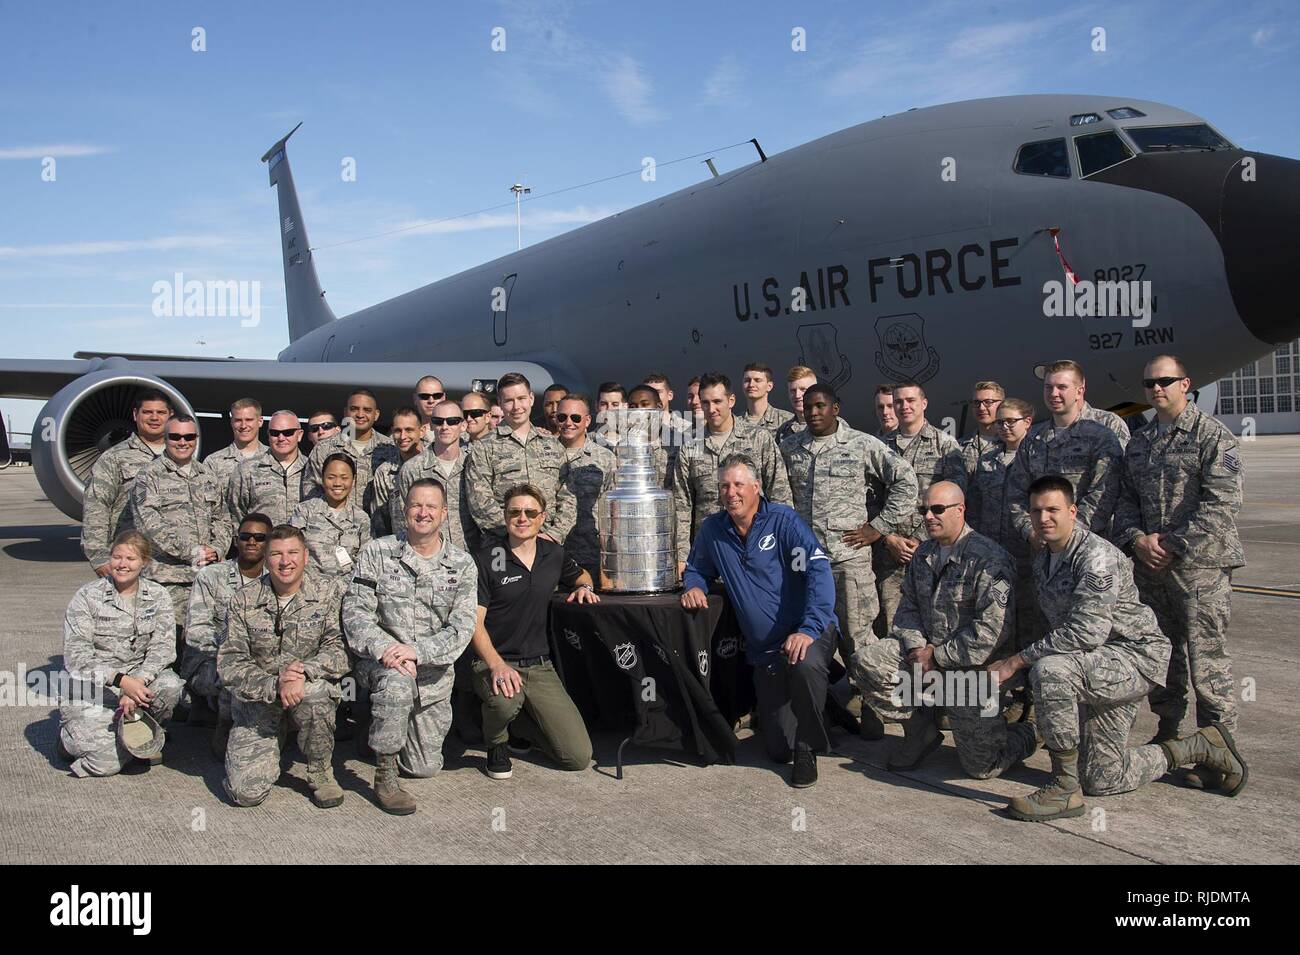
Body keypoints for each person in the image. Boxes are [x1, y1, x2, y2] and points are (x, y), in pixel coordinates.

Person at [988, 476, 1246, 822]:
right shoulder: (1046, 558)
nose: (1044, 518)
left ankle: (1064, 788)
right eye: (1037, 511)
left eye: (1053, 509)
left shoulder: (1095, 556)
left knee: (1050, 671)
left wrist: (1015, 662)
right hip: (1095, 666)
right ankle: (1196, 747)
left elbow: (1084, 632)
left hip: (1132, 657)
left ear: (1072, 511)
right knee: (1101, 778)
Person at [1115, 356, 1245, 780]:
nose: (1156, 389)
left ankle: (1219, 749)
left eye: (1165, 381)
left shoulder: (1214, 437)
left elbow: (1221, 504)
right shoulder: (1140, 441)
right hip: (1152, 568)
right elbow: (1126, 501)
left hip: (1201, 569)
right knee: (1163, 656)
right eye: (1149, 382)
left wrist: (1170, 543)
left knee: (1206, 659)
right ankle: (1169, 733)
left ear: (1185, 384)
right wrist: (1137, 539)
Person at [852, 482, 1033, 775]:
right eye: (924, 510)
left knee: (982, 767)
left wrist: (938, 656)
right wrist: (916, 649)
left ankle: (1025, 735)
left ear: (960, 510)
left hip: (974, 669)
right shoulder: (924, 554)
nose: (928, 517)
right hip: (927, 656)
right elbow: (907, 608)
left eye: (937, 509)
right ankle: (920, 731)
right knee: (868, 661)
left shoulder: (990, 560)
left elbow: (992, 631)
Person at [682, 454, 836, 787]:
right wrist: (694, 586)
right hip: (765, 652)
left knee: (806, 665)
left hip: (805, 633)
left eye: (738, 484)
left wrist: (808, 629)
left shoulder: (784, 521)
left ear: (756, 487)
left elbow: (818, 570)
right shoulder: (713, 529)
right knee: (778, 749)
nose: (731, 492)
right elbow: (697, 567)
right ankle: (822, 704)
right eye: (724, 485)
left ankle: (808, 748)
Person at [779, 383, 918, 738]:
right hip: (803, 564)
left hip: (847, 561)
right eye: (808, 406)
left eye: (820, 406)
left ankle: (877, 708)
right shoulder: (790, 448)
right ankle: (818, 708)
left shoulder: (861, 444)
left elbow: (905, 480)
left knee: (858, 639)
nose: (812, 412)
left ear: (836, 408)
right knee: (805, 637)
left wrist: (879, 527)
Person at [344, 479, 479, 812]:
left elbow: (462, 628)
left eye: (431, 506)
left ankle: (378, 728)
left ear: (444, 513)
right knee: (396, 684)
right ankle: (385, 776)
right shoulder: (377, 551)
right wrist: (386, 650)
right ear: (404, 511)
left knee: (424, 768)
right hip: (382, 664)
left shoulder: (462, 565)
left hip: (431, 676)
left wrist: (418, 650)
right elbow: (355, 612)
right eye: (416, 505)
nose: (423, 513)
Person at [471, 484, 598, 780]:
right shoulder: (488, 558)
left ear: (542, 518)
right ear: (504, 517)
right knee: (504, 703)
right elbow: (474, 624)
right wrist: (497, 665)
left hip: (539, 666)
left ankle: (521, 724)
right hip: (494, 661)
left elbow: (581, 576)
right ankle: (497, 742)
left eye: (530, 512)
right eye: (514, 512)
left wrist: (585, 587)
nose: (522, 518)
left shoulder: (552, 554)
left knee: (577, 757)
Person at [218, 525, 349, 808]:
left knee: (318, 695)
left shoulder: (328, 593)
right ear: (266, 558)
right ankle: (272, 736)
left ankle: (319, 770)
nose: (284, 561)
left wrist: (303, 671)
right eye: (276, 554)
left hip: (305, 689)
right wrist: (274, 684)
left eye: (292, 553)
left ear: (305, 556)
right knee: (245, 793)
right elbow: (230, 662)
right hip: (260, 701)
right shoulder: (243, 599)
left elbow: (340, 648)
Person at [59, 531, 185, 777]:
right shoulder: (87, 596)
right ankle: (68, 741)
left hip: (137, 688)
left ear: (144, 563)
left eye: (131, 558)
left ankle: (137, 731)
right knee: (104, 765)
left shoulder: (158, 596)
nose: (122, 564)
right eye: (117, 557)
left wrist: (137, 682)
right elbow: (76, 657)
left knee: (170, 685)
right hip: (94, 693)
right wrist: (121, 681)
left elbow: (163, 648)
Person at [673, 372, 791, 575]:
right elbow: (681, 506)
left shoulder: (758, 439)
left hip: (755, 549)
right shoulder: (689, 446)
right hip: (710, 552)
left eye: (717, 401)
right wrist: (682, 557)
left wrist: (781, 545)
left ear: (731, 400)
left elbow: (780, 495)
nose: (712, 409)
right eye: (706, 403)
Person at [130, 413, 231, 647]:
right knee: (167, 646)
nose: (182, 442)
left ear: (196, 438)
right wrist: (193, 551)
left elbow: (223, 518)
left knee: (205, 645)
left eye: (188, 436)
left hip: (206, 577)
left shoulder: (207, 475)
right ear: (165, 438)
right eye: (175, 436)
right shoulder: (149, 476)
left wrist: (216, 549)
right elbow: (150, 525)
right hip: (168, 580)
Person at [875, 381, 966, 638]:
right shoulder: (878, 447)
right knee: (894, 627)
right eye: (898, 402)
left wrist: (921, 539)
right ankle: (895, 679)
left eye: (910, 400)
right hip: (891, 556)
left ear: (923, 403)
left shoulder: (946, 447)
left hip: (933, 554)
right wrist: (887, 537)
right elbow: (869, 499)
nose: (904, 406)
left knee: (937, 626)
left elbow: (956, 499)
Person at [966, 399, 1039, 709]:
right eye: (1001, 422)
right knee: (996, 627)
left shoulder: (1038, 457)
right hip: (993, 560)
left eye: (1012, 421)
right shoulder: (987, 459)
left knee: (1032, 629)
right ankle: (1004, 698)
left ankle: (1034, 702)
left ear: (1028, 421)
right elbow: (975, 503)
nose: (1005, 426)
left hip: (1029, 557)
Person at [182, 512, 271, 758]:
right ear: (236, 540)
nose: (251, 542)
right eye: (245, 536)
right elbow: (195, 631)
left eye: (260, 537)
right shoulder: (211, 576)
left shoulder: (276, 579)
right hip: (211, 663)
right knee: (235, 673)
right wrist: (234, 649)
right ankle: (226, 724)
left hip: (261, 661)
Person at [1006, 359, 1123, 544]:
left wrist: (1069, 534)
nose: (1054, 394)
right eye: (1048, 387)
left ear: (1079, 391)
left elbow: (1105, 491)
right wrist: (1031, 532)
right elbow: (1017, 493)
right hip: (1043, 548)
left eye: (1062, 387)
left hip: (1091, 544)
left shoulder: (1103, 431)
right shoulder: (1033, 438)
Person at [465, 372, 575, 544]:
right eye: (509, 401)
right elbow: (479, 500)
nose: (516, 406)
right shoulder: (484, 447)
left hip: (549, 543)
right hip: (505, 544)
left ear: (531, 398)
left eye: (521, 398)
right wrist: (515, 534)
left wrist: (555, 534)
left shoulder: (553, 445)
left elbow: (568, 495)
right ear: (500, 404)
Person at [80, 388, 171, 576]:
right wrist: (98, 557)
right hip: (128, 560)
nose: (154, 418)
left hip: (173, 563)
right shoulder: (114, 458)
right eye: (147, 412)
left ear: (170, 415)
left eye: (161, 412)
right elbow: (97, 506)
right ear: (135, 414)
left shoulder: (181, 455)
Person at [395, 399, 478, 550]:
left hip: (473, 555)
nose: (445, 427)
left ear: (464, 425)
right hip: (430, 559)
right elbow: (402, 521)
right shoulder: (412, 469)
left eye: (452, 421)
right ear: (431, 425)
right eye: (438, 421)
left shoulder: (476, 464)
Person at [555, 394, 617, 582]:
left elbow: (612, 510)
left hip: (591, 554)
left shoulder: (605, 459)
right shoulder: (542, 453)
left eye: (575, 418)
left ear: (588, 420)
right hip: (551, 554)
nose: (568, 423)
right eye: (562, 417)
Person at [304, 388, 397, 511]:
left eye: (367, 410)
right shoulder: (323, 449)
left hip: (379, 528)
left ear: (376, 414)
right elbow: (311, 494)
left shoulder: (390, 449)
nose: (360, 414)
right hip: (336, 527)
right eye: (354, 409)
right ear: (345, 413)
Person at [290, 452, 372, 578]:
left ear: (354, 480)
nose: (337, 483)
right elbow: (292, 553)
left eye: (344, 478)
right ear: (322, 479)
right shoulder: (304, 511)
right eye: (331, 477)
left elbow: (365, 564)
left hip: (346, 591)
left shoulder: (361, 519)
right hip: (308, 589)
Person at [227, 409, 309, 526]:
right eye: (275, 433)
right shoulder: (247, 470)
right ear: (268, 435)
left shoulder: (311, 469)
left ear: (299, 435)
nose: (281, 438)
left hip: (300, 544)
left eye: (288, 432)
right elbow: (235, 515)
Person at [368, 406, 423, 537]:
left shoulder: (435, 464)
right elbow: (380, 519)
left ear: (422, 431)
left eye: (409, 430)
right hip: (401, 548)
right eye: (398, 431)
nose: (403, 436)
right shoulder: (385, 472)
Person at [203, 398, 266, 490]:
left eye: (249, 420)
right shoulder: (214, 462)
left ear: (260, 421)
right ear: (231, 422)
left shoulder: (273, 458)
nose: (243, 426)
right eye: (238, 420)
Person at [626, 383, 674, 487]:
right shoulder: (621, 446)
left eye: (645, 404)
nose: (639, 411)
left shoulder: (678, 443)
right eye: (633, 407)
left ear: (659, 407)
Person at [741, 362, 795, 439]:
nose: (751, 384)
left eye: (757, 380)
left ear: (769, 386)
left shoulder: (787, 421)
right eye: (747, 380)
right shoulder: (735, 423)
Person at [961, 380, 1004, 476]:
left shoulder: (1013, 444)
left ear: (1002, 404)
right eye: (976, 402)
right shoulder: (960, 447)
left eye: (988, 402)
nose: (981, 408)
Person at [774, 365, 818, 445]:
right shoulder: (783, 431)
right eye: (793, 390)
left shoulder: (833, 426)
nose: (797, 395)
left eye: (803, 389)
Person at [412, 375, 446, 441]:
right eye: (424, 396)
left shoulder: (460, 434)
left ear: (443, 397)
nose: (431, 401)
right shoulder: (404, 436)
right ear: (415, 399)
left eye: (437, 396)